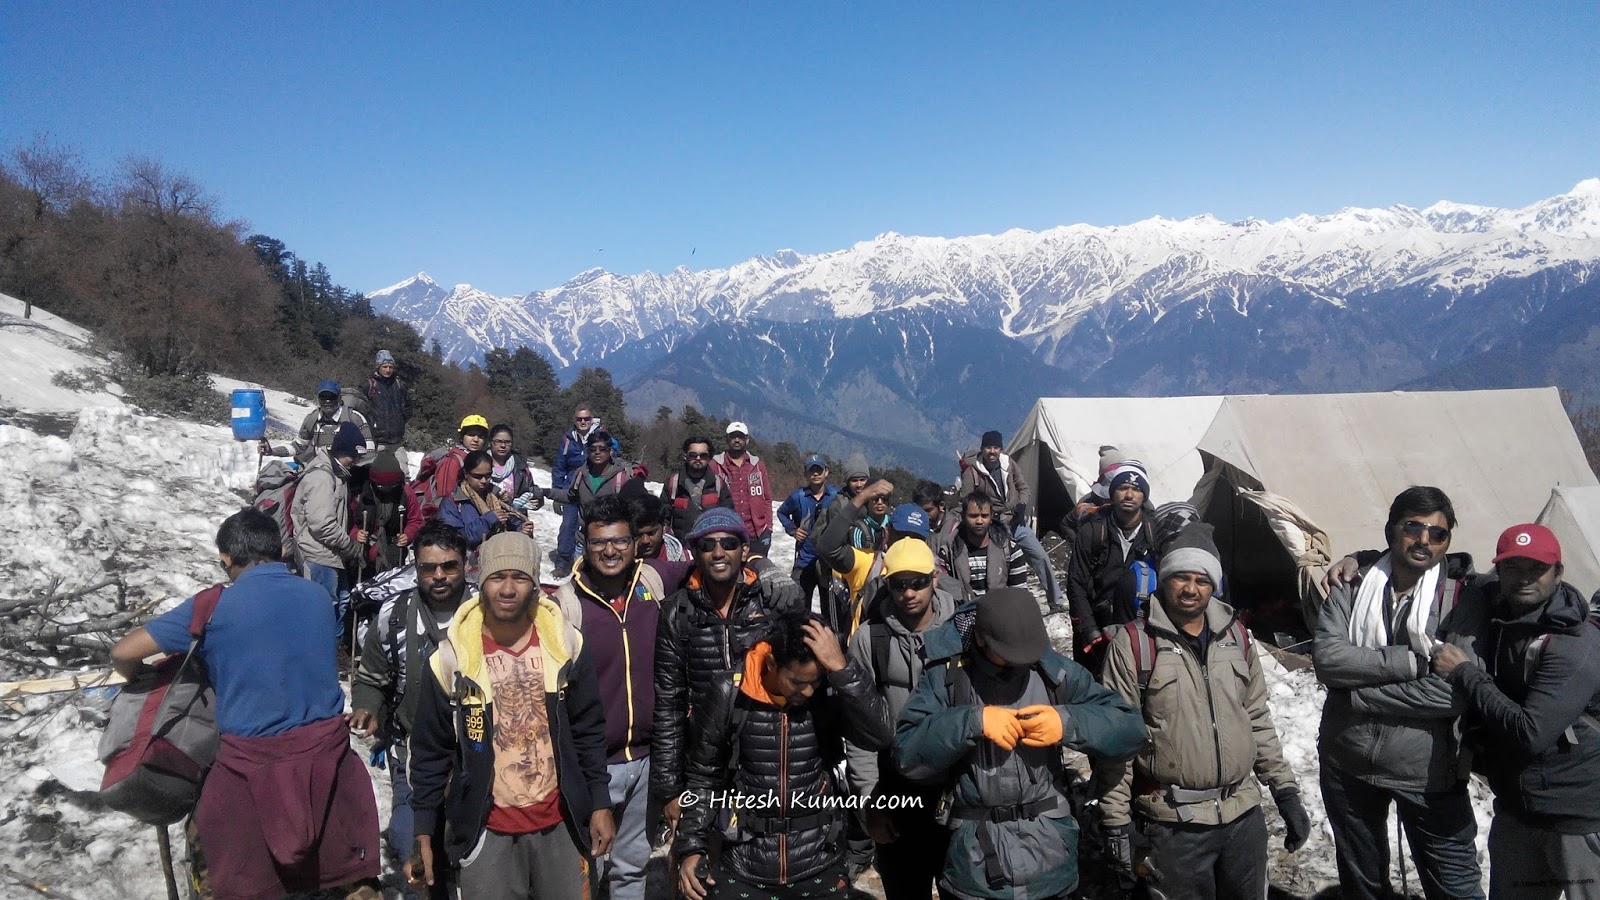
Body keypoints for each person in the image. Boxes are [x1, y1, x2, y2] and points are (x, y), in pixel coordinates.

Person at [111, 509, 379, 900]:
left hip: (250, 768)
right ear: (281, 549)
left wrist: (139, 678)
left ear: (225, 559)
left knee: (212, 855)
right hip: (327, 760)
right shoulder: (318, 596)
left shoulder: (213, 607)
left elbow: (123, 652)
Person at [1099, 523, 1310, 900]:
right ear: (1164, 579)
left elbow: (1257, 718)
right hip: (1173, 825)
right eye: (1181, 577)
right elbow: (1116, 742)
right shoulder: (1135, 645)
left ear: (1214, 585)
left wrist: (1286, 791)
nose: (1191, 589)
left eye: (1202, 580)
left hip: (1242, 817)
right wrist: (1117, 823)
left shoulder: (1236, 637)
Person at [893, 587, 1147, 900]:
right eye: (1010, 654)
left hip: (1050, 862)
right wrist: (971, 722)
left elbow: (1130, 730)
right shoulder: (946, 677)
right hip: (975, 870)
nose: (1021, 663)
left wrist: (1067, 722)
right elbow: (907, 754)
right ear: (981, 639)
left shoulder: (1052, 670)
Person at [406, 531, 616, 900]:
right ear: (480, 582)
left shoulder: (565, 645)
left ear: (534, 583)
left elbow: (588, 729)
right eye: (497, 577)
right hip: (488, 832)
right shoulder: (452, 660)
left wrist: (599, 801)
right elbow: (430, 752)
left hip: (561, 824)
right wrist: (424, 829)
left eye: (519, 577)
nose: (507, 589)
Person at [1314, 486, 1487, 900]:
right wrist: (1411, 663)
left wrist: (1356, 694)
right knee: (1364, 886)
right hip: (1347, 760)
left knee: (1455, 888)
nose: (1424, 540)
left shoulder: (1462, 597)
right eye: (1413, 527)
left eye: (1438, 534)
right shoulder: (1352, 584)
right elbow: (1329, 661)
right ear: (1392, 529)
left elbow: (1454, 693)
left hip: (1426, 771)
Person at [1432, 524, 1600, 900]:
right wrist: (1358, 560)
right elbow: (1455, 569)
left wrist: (1464, 673)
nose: (1524, 578)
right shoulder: (1500, 606)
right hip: (1518, 811)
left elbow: (1530, 733)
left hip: (1578, 818)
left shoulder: (1573, 644)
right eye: (1512, 567)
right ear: (1499, 572)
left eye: (1536, 568)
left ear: (1558, 573)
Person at [675, 609, 891, 900]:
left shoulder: (830, 691)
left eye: (815, 681)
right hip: (744, 863)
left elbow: (881, 734)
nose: (808, 691)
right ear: (772, 664)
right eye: (798, 682)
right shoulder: (730, 691)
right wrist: (692, 847)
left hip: (819, 862)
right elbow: (703, 776)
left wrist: (842, 668)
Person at [650, 507, 803, 840]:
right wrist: (669, 787)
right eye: (708, 545)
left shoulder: (769, 601)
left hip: (762, 752)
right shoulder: (677, 611)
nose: (718, 552)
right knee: (699, 850)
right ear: (696, 553)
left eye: (729, 543)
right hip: (701, 758)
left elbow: (800, 675)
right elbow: (668, 702)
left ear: (745, 550)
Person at [551, 496, 669, 900]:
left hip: (647, 760)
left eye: (620, 541)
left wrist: (762, 566)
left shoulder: (652, 583)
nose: (610, 550)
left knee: (632, 866)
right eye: (599, 542)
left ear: (636, 544)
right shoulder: (565, 605)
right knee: (586, 869)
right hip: (593, 763)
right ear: (585, 545)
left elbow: (710, 562)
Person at [350, 523, 473, 900]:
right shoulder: (395, 615)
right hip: (412, 752)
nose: (439, 575)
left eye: (449, 566)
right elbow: (371, 676)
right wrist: (367, 707)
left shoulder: (485, 612)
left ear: (465, 564)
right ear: (414, 567)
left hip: (476, 755)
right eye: (428, 567)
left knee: (469, 849)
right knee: (418, 849)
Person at [844, 539, 961, 900]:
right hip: (896, 790)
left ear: (935, 578)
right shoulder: (869, 639)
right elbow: (859, 727)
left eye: (918, 582)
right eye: (899, 584)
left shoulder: (962, 630)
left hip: (956, 789)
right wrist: (871, 802)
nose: (909, 593)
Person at [959, 430, 1065, 612]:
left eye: (996, 447)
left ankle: (1056, 601)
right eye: (988, 447)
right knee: (1000, 566)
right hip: (992, 526)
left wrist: (1021, 505)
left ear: (1001, 449)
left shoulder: (1009, 465)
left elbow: (1023, 488)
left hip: (1015, 521)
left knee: (1040, 556)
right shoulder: (972, 472)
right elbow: (966, 500)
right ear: (982, 449)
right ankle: (1004, 607)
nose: (992, 451)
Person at [1066, 462, 1157, 670]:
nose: (1129, 495)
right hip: (1095, 625)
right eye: (1123, 487)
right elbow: (1076, 582)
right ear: (1112, 492)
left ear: (1144, 495)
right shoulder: (1092, 530)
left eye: (1136, 489)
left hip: (1140, 627)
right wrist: (1088, 628)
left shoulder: (1154, 532)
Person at [291, 420, 369, 639]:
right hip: (317, 555)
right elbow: (322, 525)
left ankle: (334, 648)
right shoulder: (322, 479)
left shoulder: (336, 475)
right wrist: (349, 546)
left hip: (330, 555)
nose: (356, 461)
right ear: (343, 451)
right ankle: (319, 649)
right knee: (322, 609)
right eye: (354, 456)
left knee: (340, 601)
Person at [437, 449, 537, 550]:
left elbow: (514, 522)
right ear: (466, 474)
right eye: (477, 476)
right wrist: (488, 520)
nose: (483, 481)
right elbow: (452, 540)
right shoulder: (453, 502)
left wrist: (521, 530)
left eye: (488, 476)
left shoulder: (498, 497)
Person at [777, 454, 842, 609]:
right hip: (804, 560)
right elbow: (782, 513)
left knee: (830, 608)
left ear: (826, 472)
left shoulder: (837, 496)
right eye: (811, 470)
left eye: (819, 469)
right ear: (805, 473)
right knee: (798, 606)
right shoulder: (797, 497)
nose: (816, 473)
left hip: (829, 562)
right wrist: (793, 530)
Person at [939, 492, 1029, 600]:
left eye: (984, 516)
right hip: (963, 609)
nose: (979, 521)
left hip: (1000, 608)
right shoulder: (949, 551)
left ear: (991, 517)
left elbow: (1020, 595)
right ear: (963, 517)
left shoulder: (1011, 550)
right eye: (973, 516)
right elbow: (944, 595)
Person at [261, 378, 374, 465]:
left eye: (332, 397)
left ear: (339, 399)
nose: (327, 401)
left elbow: (369, 451)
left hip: (349, 473)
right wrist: (271, 451)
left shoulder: (355, 418)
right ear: (318, 399)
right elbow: (298, 447)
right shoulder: (312, 419)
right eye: (323, 397)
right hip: (319, 471)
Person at [353, 448, 423, 577]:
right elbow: (350, 521)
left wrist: (408, 535)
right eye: (381, 486)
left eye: (391, 486)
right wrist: (355, 534)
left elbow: (415, 520)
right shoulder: (362, 493)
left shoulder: (405, 493)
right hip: (363, 554)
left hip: (394, 554)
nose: (386, 490)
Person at [552, 406, 602, 578]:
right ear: (574, 420)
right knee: (568, 525)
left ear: (592, 419)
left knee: (594, 525)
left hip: (593, 485)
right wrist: (557, 492)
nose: (583, 422)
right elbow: (559, 467)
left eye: (586, 419)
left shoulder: (600, 436)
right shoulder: (567, 439)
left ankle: (593, 562)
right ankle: (563, 562)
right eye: (579, 419)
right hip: (571, 486)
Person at [712, 421, 775, 557]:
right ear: (727, 439)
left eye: (740, 437)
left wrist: (768, 527)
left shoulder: (757, 465)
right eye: (733, 436)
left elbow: (767, 498)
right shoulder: (715, 466)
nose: (737, 440)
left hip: (756, 532)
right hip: (726, 531)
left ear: (747, 440)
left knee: (757, 567)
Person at [414, 415, 491, 520]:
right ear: (462, 437)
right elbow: (445, 496)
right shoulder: (452, 461)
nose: (476, 439)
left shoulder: (479, 459)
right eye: (471, 434)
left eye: (481, 436)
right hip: (453, 516)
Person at [661, 436, 734, 537]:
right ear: (685, 456)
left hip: (709, 543)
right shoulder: (673, 483)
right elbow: (663, 517)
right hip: (681, 544)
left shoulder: (718, 484)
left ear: (709, 458)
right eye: (693, 455)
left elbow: (728, 517)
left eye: (703, 455)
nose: (698, 458)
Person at [567, 429, 633, 532]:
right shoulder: (581, 474)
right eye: (592, 449)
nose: (597, 452)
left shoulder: (622, 479)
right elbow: (570, 496)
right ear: (588, 452)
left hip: (613, 537)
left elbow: (633, 509)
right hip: (584, 537)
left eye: (602, 449)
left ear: (610, 451)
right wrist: (547, 492)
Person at [365, 349, 413, 456]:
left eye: (391, 367)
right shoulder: (369, 385)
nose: (388, 370)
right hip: (377, 442)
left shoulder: (399, 385)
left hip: (397, 442)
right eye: (385, 367)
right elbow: (360, 407)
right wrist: (372, 423)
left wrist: (401, 421)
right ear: (378, 367)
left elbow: (408, 406)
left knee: (402, 467)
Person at [487, 423, 542, 509]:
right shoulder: (480, 463)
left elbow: (530, 489)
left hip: (514, 514)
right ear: (490, 442)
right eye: (498, 441)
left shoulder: (520, 465)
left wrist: (537, 499)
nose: (503, 446)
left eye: (507, 442)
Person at [628, 491, 690, 563]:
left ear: (664, 528)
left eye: (651, 533)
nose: (645, 541)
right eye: (638, 535)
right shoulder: (622, 562)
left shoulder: (684, 560)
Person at [914, 479, 958, 561]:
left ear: (941, 505)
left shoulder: (954, 531)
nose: (924, 515)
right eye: (920, 511)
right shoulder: (914, 527)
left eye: (928, 510)